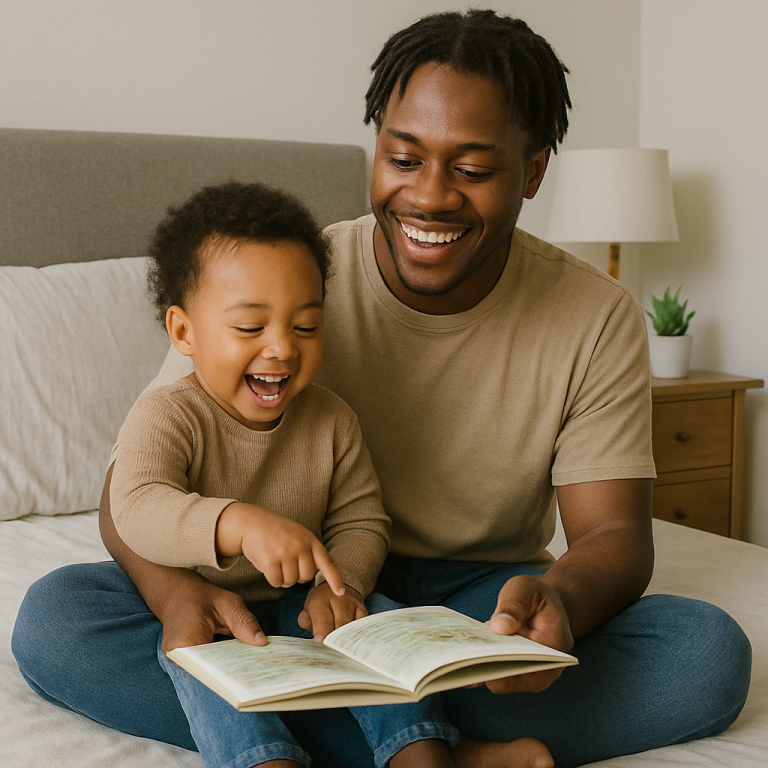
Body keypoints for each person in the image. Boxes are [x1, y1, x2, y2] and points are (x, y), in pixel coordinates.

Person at [13, 9, 751, 768]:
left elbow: (613, 538)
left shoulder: (595, 316)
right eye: (404, 158)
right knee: (56, 619)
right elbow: (129, 496)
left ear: (533, 169)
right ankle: (419, 744)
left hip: (473, 606)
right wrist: (176, 599)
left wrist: (558, 601)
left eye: (471, 169)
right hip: (282, 590)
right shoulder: (291, 278)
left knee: (705, 655)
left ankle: (287, 712)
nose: (430, 197)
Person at [103, 179, 471, 768]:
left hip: (304, 604)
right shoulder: (167, 415)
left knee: (379, 622)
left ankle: (420, 751)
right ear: (183, 332)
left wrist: (338, 584)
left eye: (305, 327)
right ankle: (267, 758)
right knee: (188, 660)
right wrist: (234, 523)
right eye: (250, 328)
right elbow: (138, 503)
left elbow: (362, 519)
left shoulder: (330, 419)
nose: (281, 348)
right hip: (211, 611)